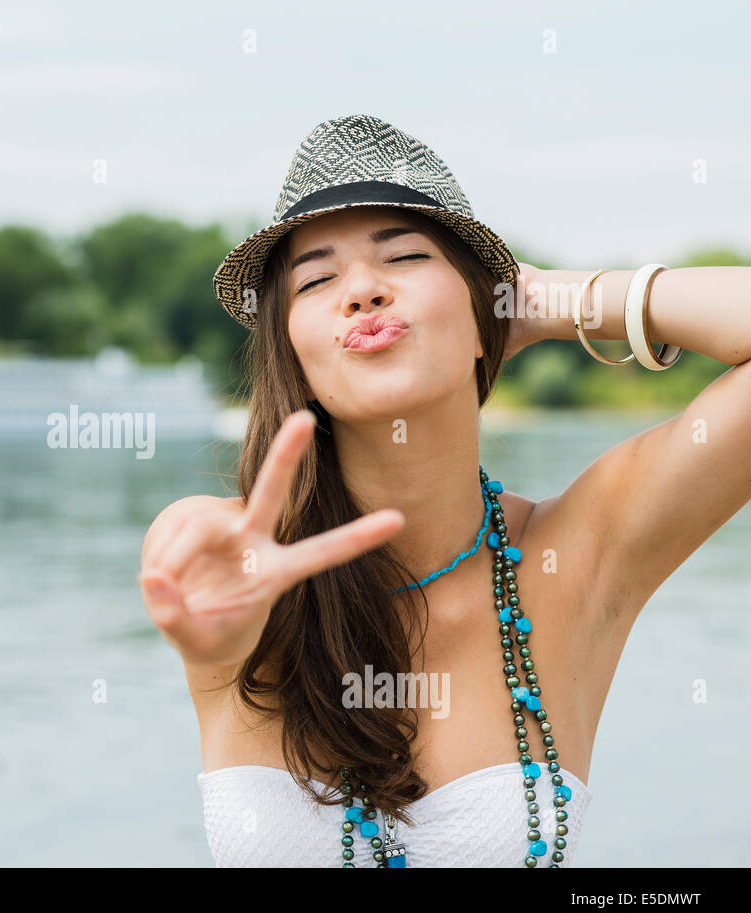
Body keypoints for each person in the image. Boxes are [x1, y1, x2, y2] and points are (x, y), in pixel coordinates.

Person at [138, 114, 751, 867]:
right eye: (318, 278)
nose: (361, 290)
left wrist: (552, 300)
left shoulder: (581, 554)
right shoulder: (240, 557)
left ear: (483, 308)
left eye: (403, 255)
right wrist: (224, 640)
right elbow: (203, 596)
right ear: (291, 351)